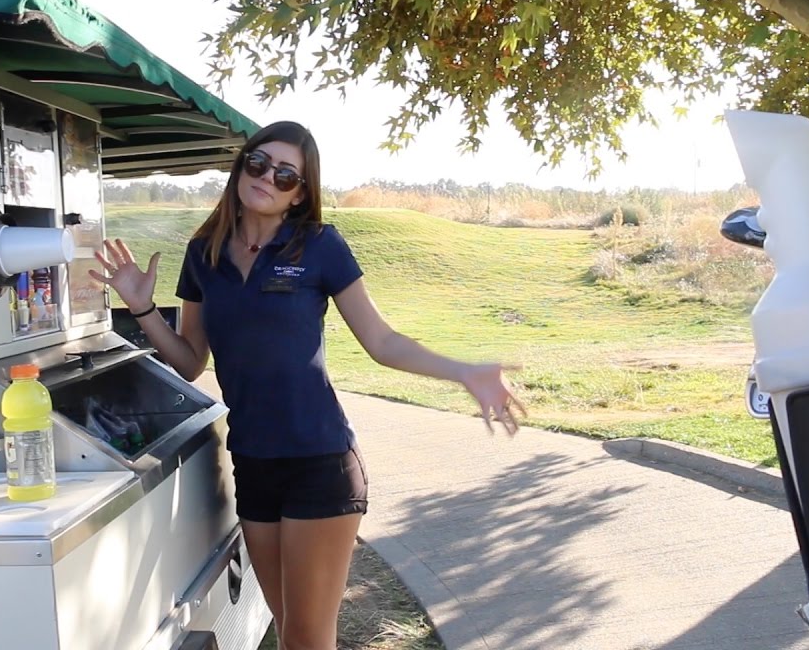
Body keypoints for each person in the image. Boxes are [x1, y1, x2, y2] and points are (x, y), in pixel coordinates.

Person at [90, 120, 526, 650]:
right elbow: (190, 362)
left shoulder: (319, 245)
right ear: (241, 167)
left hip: (319, 462)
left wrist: (464, 371)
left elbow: (382, 341)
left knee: (307, 639)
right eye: (258, 162)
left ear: (299, 193)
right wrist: (142, 308)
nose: (266, 177)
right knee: (288, 632)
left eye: (285, 174)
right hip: (253, 463)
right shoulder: (204, 252)